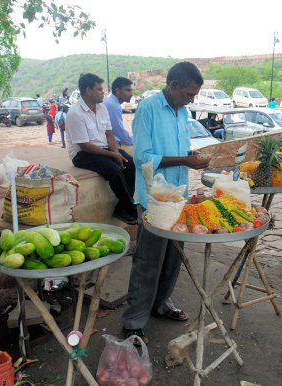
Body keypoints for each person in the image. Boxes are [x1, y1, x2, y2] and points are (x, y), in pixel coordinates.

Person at [122, 62, 210, 345]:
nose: (191, 100)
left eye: (194, 95)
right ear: (173, 85)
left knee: (174, 258)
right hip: (154, 201)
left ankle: (161, 304)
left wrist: (190, 157)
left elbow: (178, 150)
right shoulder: (148, 108)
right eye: (188, 94)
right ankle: (134, 321)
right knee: (148, 261)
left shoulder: (182, 112)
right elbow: (143, 157)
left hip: (178, 198)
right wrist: (184, 160)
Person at [65, 73, 137, 225]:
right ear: (88, 91)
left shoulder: (102, 107)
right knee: (115, 170)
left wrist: (115, 152)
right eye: (99, 89)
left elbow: (109, 134)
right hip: (83, 154)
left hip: (102, 149)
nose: (103, 92)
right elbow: (84, 145)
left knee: (130, 163)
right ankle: (131, 209)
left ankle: (122, 209)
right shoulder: (75, 113)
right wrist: (112, 155)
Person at [103, 77, 135, 154]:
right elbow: (119, 132)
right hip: (108, 145)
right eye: (128, 90)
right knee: (141, 155)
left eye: (131, 90)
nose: (131, 94)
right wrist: (135, 140)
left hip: (110, 142)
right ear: (117, 91)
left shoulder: (111, 101)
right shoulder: (112, 105)